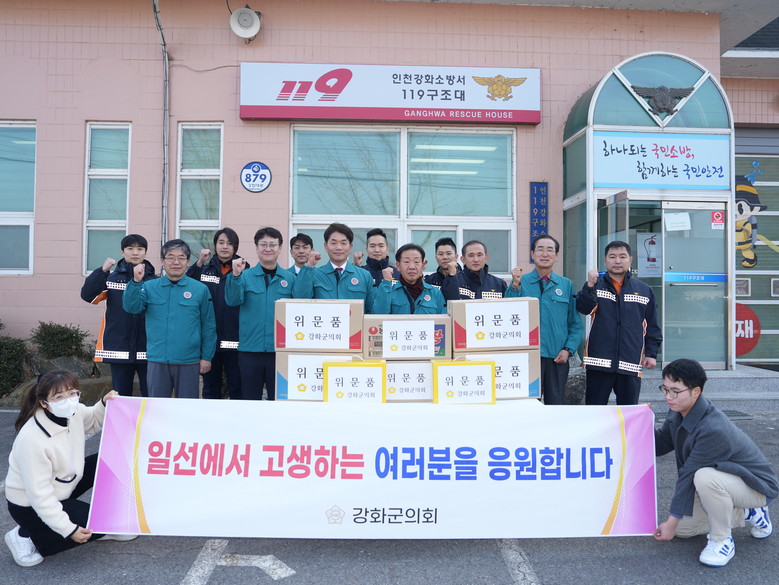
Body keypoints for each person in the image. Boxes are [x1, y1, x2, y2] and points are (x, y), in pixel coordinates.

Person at [653, 358, 778, 567]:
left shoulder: (713, 428)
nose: (668, 397)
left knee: (704, 477)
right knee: (682, 530)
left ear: (696, 392)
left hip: (756, 486)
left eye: (675, 391)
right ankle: (747, 513)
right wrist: (641, 422)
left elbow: (688, 474)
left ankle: (722, 541)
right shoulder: (677, 409)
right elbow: (661, 444)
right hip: (726, 480)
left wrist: (671, 520)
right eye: (665, 389)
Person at [5, 370, 133, 567]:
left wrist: (104, 403)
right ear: (44, 403)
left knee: (109, 461)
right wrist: (69, 530)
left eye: (72, 393)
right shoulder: (32, 440)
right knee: (94, 525)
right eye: (59, 397)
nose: (68, 400)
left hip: (62, 485)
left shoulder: (74, 412)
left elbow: (92, 419)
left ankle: (99, 526)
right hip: (29, 506)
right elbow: (40, 497)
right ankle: (26, 535)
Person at [123, 239, 217, 399]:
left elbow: (208, 325)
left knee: (186, 408)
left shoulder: (200, 289)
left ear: (188, 261)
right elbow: (132, 308)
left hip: (188, 361)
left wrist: (206, 357)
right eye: (170, 257)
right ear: (162, 260)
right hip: (158, 360)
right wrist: (136, 282)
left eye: (181, 258)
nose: (176, 262)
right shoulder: (149, 286)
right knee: (157, 408)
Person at [576, 240, 662, 405]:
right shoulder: (596, 286)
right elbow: (584, 308)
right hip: (599, 363)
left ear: (630, 260)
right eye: (612, 257)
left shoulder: (644, 290)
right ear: (605, 261)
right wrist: (589, 285)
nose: (617, 261)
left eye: (622, 257)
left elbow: (652, 325)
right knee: (595, 411)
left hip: (630, 362)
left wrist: (651, 353)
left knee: (628, 412)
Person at [507, 234, 583, 405]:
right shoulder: (520, 282)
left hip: (557, 357)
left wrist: (568, 349)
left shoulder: (565, 285)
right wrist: (515, 285)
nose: (545, 254)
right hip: (527, 357)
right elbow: (508, 312)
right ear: (532, 254)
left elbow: (575, 324)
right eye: (540, 250)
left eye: (550, 250)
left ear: (556, 255)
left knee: (555, 404)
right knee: (527, 404)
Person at [80, 234, 156, 397]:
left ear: (145, 252)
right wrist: (103, 271)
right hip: (119, 348)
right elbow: (89, 296)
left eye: (140, 249)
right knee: (120, 397)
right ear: (122, 252)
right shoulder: (111, 278)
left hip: (148, 349)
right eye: (130, 248)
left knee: (151, 395)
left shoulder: (154, 280)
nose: (135, 252)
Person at [225, 227, 296, 401]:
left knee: (279, 400)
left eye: (273, 244)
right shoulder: (243, 276)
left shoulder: (290, 278)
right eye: (263, 244)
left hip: (279, 351)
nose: (268, 248)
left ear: (280, 248)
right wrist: (235, 275)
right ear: (256, 248)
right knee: (250, 401)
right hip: (250, 350)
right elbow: (232, 301)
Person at [186, 228, 245, 400]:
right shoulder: (205, 269)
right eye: (221, 243)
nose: (225, 247)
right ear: (215, 245)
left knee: (237, 387)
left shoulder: (244, 269)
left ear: (235, 247)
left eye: (229, 243)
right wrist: (199, 263)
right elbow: (187, 282)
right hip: (209, 340)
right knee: (210, 389)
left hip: (235, 339)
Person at [295, 222, 376, 312]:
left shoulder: (364, 276)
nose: (338, 247)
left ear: (350, 247)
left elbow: (371, 311)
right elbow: (299, 301)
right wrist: (308, 267)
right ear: (326, 246)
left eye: (343, 243)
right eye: (333, 243)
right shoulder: (314, 274)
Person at [373, 244, 446, 314]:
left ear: (423, 265)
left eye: (416, 262)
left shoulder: (435, 293)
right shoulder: (388, 291)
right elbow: (378, 316)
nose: (412, 267)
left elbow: (443, 321)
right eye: (406, 262)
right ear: (398, 266)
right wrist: (386, 282)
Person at [441, 240, 519, 301]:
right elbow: (449, 305)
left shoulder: (499, 284)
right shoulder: (453, 282)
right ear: (463, 259)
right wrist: (452, 276)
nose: (476, 259)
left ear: (486, 257)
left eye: (479, 255)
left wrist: (515, 284)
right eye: (471, 255)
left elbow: (509, 307)